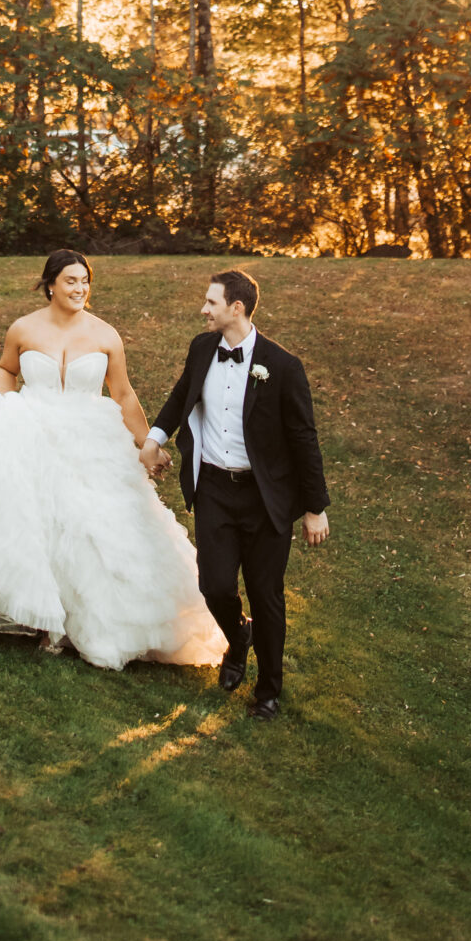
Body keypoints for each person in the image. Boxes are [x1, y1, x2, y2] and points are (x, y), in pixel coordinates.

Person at [0, 248, 223, 670]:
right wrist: (6, 409)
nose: (80, 289)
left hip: (89, 439)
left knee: (86, 526)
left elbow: (122, 393)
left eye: (85, 281)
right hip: (31, 433)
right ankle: (35, 613)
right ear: (50, 286)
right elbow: (6, 370)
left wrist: (147, 442)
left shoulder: (105, 335)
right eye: (71, 281)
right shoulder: (23, 328)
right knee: (34, 521)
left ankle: (81, 619)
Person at [143, 269, 330, 720]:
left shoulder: (282, 366)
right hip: (213, 490)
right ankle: (237, 636)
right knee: (215, 585)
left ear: (236, 308)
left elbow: (304, 438)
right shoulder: (201, 348)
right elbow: (182, 395)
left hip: (265, 499)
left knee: (266, 595)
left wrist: (314, 508)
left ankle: (268, 692)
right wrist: (154, 439)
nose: (203, 310)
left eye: (211, 303)